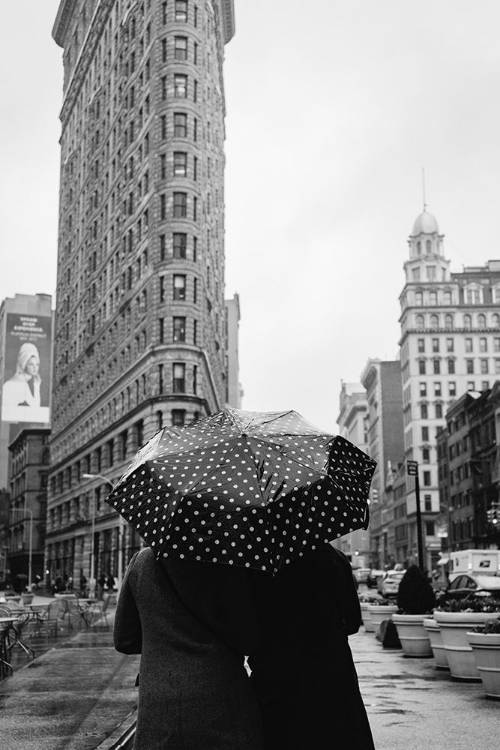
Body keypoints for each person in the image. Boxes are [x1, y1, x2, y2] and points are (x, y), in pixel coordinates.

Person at [114, 547, 264, 750]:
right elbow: (250, 640)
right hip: (221, 701)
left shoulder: (142, 561)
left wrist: (160, 639)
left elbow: (124, 639)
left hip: (159, 704)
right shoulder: (228, 561)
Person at [249, 543, 375, 750]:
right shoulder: (334, 558)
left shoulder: (262, 562)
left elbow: (251, 630)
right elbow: (352, 622)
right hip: (333, 678)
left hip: (279, 680)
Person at [2, 342, 42, 409]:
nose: (35, 368)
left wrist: (37, 385)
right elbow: (35, 407)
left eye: (37, 364)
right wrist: (37, 386)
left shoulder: (21, 380)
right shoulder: (21, 383)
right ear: (24, 365)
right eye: (31, 364)